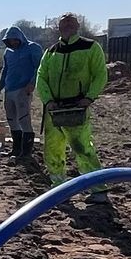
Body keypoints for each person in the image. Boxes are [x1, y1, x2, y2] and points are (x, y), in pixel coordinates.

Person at [35, 14, 108, 197]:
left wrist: (89, 98)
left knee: (82, 148)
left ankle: (98, 189)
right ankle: (58, 186)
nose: (67, 24)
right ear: (59, 27)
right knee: (53, 149)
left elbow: (100, 74)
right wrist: (48, 100)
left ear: (77, 26)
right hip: (55, 109)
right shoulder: (51, 52)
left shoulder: (90, 47)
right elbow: (41, 77)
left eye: (71, 22)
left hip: (77, 106)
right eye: (64, 22)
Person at [0, 27, 42, 162]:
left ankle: (26, 152)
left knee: (24, 119)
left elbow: (39, 67)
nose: (13, 43)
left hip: (23, 89)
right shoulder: (8, 52)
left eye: (15, 40)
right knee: (11, 119)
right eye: (10, 41)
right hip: (9, 89)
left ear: (20, 37)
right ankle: (16, 149)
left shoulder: (33, 48)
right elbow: (5, 69)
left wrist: (32, 83)